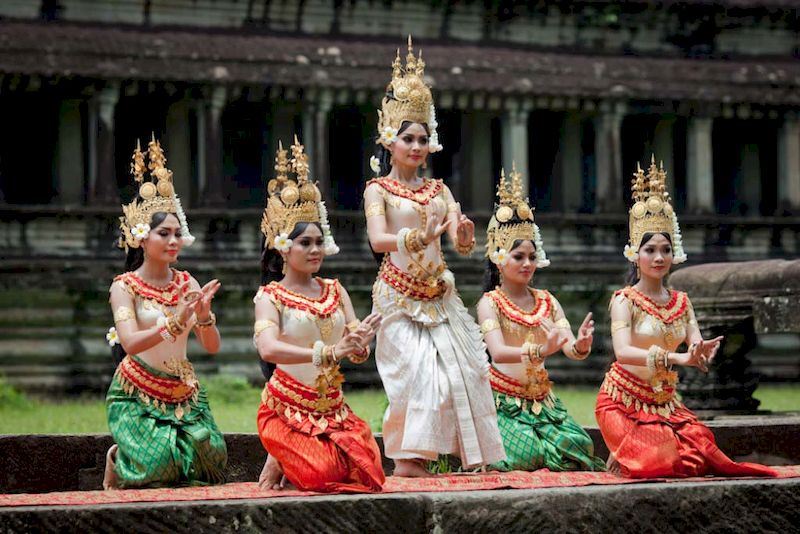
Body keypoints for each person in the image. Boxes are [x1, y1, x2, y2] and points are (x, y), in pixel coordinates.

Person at [364, 37, 505, 477]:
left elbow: (459, 244)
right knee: (418, 376)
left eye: (424, 138)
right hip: (398, 298)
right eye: (408, 138)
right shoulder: (378, 190)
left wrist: (463, 236)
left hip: (439, 296)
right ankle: (407, 461)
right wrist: (413, 237)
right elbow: (377, 241)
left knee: (463, 374)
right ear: (390, 140)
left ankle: (447, 457)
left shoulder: (439, 190)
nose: (417, 146)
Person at [595, 158, 777, 478]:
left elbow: (694, 341)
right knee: (661, 463)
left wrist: (702, 350)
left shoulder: (681, 301)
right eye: (650, 250)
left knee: (702, 452)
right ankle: (625, 448)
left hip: (665, 404)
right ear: (634, 254)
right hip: (621, 403)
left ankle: (631, 451)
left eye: (665, 249)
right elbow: (623, 352)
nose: (659, 257)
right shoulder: (624, 300)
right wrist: (677, 359)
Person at [254, 137, 385, 492]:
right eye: (305, 243)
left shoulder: (335, 289)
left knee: (368, 471)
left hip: (332, 407)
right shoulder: (270, 296)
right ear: (284, 248)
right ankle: (279, 453)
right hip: (286, 407)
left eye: (318, 241)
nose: (315, 249)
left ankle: (291, 457)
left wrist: (359, 345)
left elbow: (354, 350)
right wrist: (328, 353)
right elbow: (268, 349)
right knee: (321, 476)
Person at [103, 137, 226, 489]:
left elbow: (212, 347)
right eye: (163, 234)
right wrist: (172, 323)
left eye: (177, 234)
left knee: (211, 459)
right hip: (136, 391)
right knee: (160, 467)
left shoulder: (188, 283)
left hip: (183, 391)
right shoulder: (124, 287)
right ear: (142, 238)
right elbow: (129, 343)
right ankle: (117, 458)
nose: (173, 242)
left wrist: (202, 316)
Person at [476, 166, 606, 472]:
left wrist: (582, 345)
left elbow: (569, 347)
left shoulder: (547, 300)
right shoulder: (490, 303)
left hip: (542, 400)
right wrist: (539, 350)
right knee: (527, 454)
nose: (527, 264)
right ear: (498, 257)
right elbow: (497, 352)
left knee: (579, 445)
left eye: (532, 257)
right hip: (503, 401)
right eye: (518, 256)